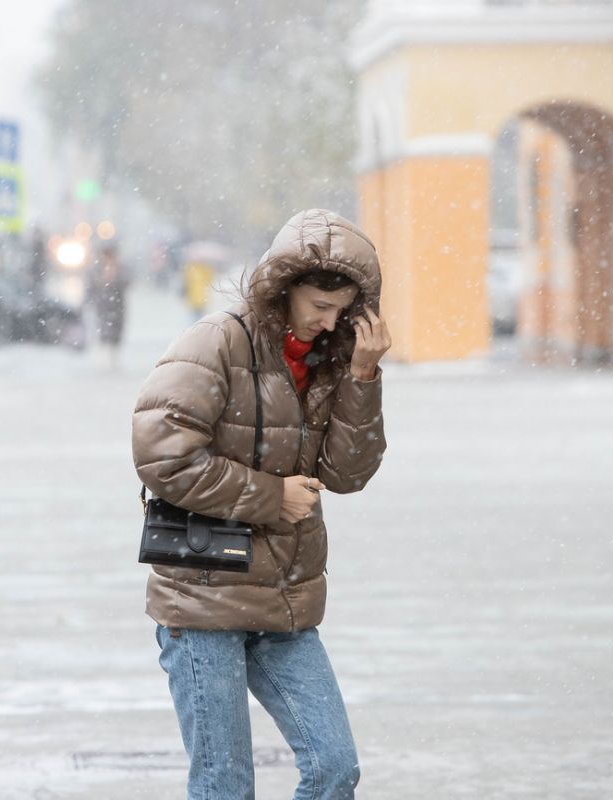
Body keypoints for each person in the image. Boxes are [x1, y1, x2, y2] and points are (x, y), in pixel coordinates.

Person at [131, 209, 391, 799]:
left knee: (334, 767)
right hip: (202, 598)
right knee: (225, 785)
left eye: (340, 311)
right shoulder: (215, 342)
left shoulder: (335, 359)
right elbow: (162, 458)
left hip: (285, 601)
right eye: (318, 308)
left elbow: (348, 474)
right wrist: (272, 496)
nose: (328, 324)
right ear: (284, 289)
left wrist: (363, 375)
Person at [86, 241, 128, 369]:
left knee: (116, 332)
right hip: (102, 306)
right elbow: (91, 287)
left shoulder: (120, 268)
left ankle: (113, 358)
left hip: (117, 306)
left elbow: (126, 282)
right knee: (103, 331)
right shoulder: (96, 269)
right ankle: (103, 358)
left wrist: (114, 277)